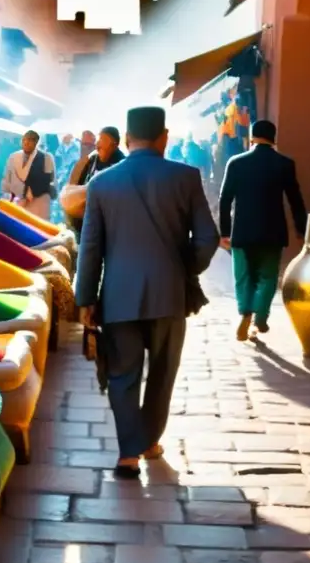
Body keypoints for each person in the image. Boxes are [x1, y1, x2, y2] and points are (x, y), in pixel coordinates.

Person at [75, 106, 219, 478]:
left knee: (123, 374)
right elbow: (207, 238)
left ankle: (128, 454)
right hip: (169, 295)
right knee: (162, 371)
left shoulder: (102, 183)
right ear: (164, 137)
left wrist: (85, 299)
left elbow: (90, 248)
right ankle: (149, 440)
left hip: (119, 295)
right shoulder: (185, 177)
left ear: (126, 139)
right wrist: (182, 267)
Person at [218, 119, 308, 340]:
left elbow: (224, 199)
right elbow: (295, 199)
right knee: (268, 276)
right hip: (272, 231)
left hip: (242, 231)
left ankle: (245, 312)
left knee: (243, 276)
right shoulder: (284, 164)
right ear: (273, 138)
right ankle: (260, 317)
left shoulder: (236, 162)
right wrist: (301, 229)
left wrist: (224, 232)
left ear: (252, 137)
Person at [1, 130, 55, 220]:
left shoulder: (46, 158)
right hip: (16, 202)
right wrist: (7, 197)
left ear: (36, 142)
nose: (26, 143)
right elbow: (7, 179)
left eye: (30, 140)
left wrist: (31, 191)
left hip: (37, 204)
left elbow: (49, 180)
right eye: (24, 140)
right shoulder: (13, 157)